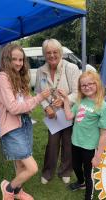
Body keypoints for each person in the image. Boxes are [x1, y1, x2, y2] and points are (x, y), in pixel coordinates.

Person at [0, 43, 50, 200]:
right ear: (6, 59)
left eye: (21, 60)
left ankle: (17, 191)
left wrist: (32, 102)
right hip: (12, 127)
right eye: (14, 59)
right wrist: (38, 98)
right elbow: (13, 108)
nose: (18, 63)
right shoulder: (2, 77)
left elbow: (25, 102)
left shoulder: (18, 77)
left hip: (24, 123)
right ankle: (9, 188)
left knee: (21, 164)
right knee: (32, 168)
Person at [58, 70, 106, 200]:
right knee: (75, 166)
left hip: (90, 147)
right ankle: (80, 183)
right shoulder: (81, 101)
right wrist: (65, 99)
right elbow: (69, 116)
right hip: (76, 142)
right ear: (80, 88)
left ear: (97, 84)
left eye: (90, 84)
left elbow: (104, 134)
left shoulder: (103, 107)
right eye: (83, 85)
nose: (87, 87)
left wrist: (98, 156)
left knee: (88, 174)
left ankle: (88, 195)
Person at [35, 38, 80, 184]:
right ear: (44, 54)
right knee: (52, 144)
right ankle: (48, 172)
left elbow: (78, 92)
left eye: (55, 52)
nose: (52, 55)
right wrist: (46, 107)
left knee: (68, 142)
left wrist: (65, 100)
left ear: (60, 52)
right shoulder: (41, 71)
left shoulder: (71, 68)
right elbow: (38, 93)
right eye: (48, 53)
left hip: (68, 113)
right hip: (52, 115)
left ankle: (66, 170)